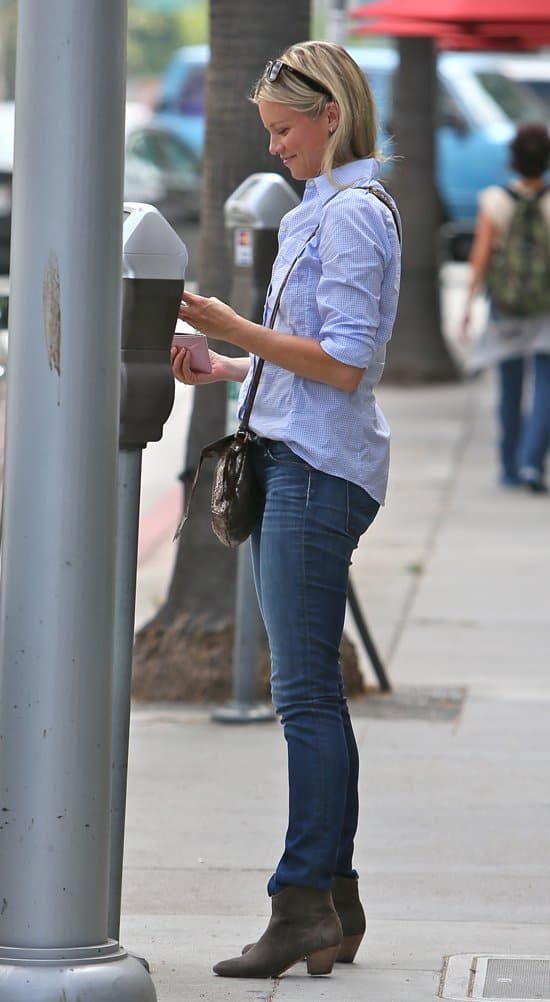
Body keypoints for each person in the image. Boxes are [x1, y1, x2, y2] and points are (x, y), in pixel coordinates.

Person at [172, 40, 401, 979]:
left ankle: (303, 901)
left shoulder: (350, 215)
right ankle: (331, 905)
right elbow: (312, 361)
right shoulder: (330, 209)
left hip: (313, 474)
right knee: (310, 695)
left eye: (283, 129)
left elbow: (344, 363)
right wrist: (230, 364)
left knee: (304, 697)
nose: (274, 147)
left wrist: (231, 324)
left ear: (331, 116)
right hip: (302, 458)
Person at [462, 122, 550, 492]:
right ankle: (533, 462)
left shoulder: (493, 200)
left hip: (506, 306)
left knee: (510, 387)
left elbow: (481, 258)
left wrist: (468, 304)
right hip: (546, 306)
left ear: (512, 159)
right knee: (546, 385)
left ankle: (510, 466)